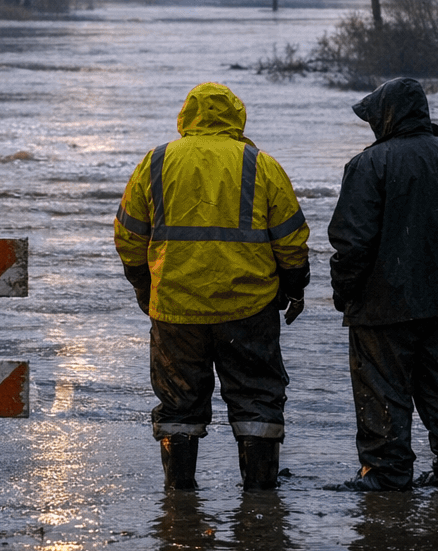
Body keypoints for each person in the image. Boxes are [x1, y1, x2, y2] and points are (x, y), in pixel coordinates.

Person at [115, 82, 310, 490]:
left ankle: (180, 495)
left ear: (186, 116)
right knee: (256, 399)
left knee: (178, 404)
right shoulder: (260, 165)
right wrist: (294, 287)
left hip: (175, 309)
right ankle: (259, 494)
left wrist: (143, 286)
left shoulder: (155, 162)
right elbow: (290, 238)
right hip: (248, 308)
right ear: (236, 116)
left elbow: (129, 237)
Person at [326, 77, 438, 492]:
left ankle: (386, 474)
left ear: (386, 117)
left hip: (382, 307)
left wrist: (345, 294)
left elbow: (351, 244)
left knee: (382, 389)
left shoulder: (369, 165)